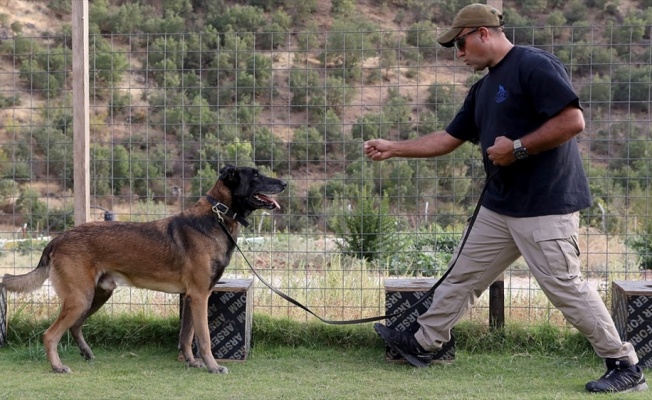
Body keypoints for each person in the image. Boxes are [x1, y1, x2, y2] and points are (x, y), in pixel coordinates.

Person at [363, 3, 647, 394]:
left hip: (545, 205)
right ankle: (424, 343)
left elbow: (572, 121)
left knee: (566, 288)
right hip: (500, 207)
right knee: (463, 274)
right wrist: (394, 148)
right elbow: (449, 139)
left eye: (460, 45)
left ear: (482, 33)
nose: (458, 55)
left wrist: (516, 148)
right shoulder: (482, 89)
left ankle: (624, 363)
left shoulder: (534, 65)